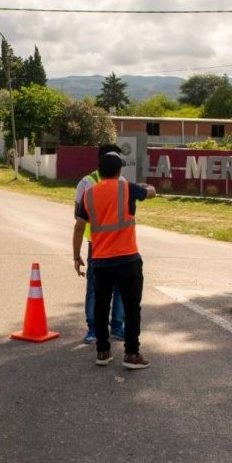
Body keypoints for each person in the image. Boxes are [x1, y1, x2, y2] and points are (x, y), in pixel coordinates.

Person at [73, 150, 156, 369]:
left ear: (99, 171)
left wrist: (76, 256)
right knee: (131, 307)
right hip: (128, 259)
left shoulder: (88, 194)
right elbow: (152, 193)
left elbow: (79, 226)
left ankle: (102, 351)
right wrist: (146, 186)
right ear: (119, 171)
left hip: (100, 260)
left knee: (101, 306)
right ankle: (131, 354)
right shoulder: (127, 188)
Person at [73, 144, 126, 344]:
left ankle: (117, 326)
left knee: (119, 287)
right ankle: (94, 327)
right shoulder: (86, 183)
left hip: (119, 246)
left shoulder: (123, 183)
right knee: (95, 288)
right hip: (97, 244)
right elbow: (78, 217)